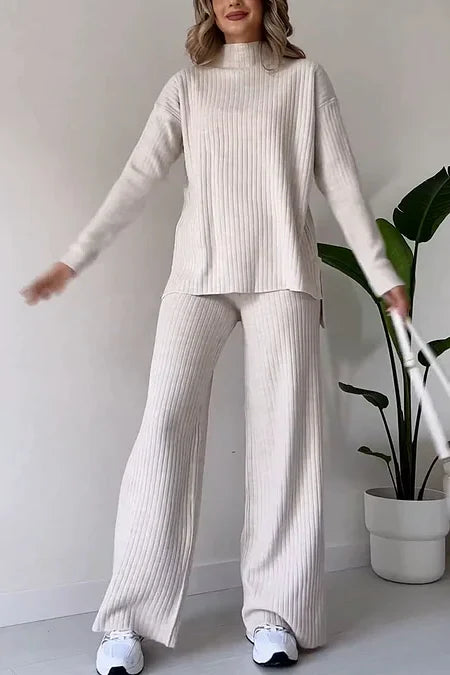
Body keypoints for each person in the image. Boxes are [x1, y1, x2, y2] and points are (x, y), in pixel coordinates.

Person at [21, 0, 410, 672]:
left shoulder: (304, 81)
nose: (233, 1)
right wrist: (75, 259)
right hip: (198, 274)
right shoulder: (187, 87)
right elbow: (138, 177)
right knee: (164, 426)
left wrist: (382, 276)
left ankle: (277, 614)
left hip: (284, 276)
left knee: (284, 441)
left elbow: (342, 184)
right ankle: (129, 620)